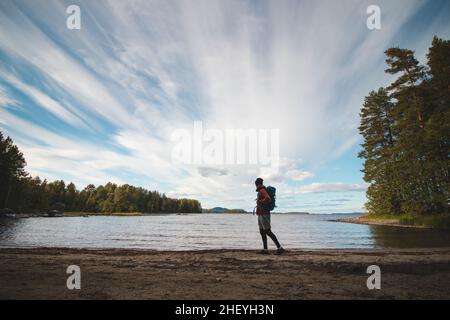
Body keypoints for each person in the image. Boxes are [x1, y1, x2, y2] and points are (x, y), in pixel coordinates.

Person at [254, 178, 285, 255]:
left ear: (256, 184)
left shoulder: (262, 190)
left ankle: (279, 248)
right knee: (262, 231)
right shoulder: (261, 190)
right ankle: (265, 249)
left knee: (268, 231)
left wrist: (260, 201)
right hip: (261, 214)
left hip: (265, 214)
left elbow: (268, 198)